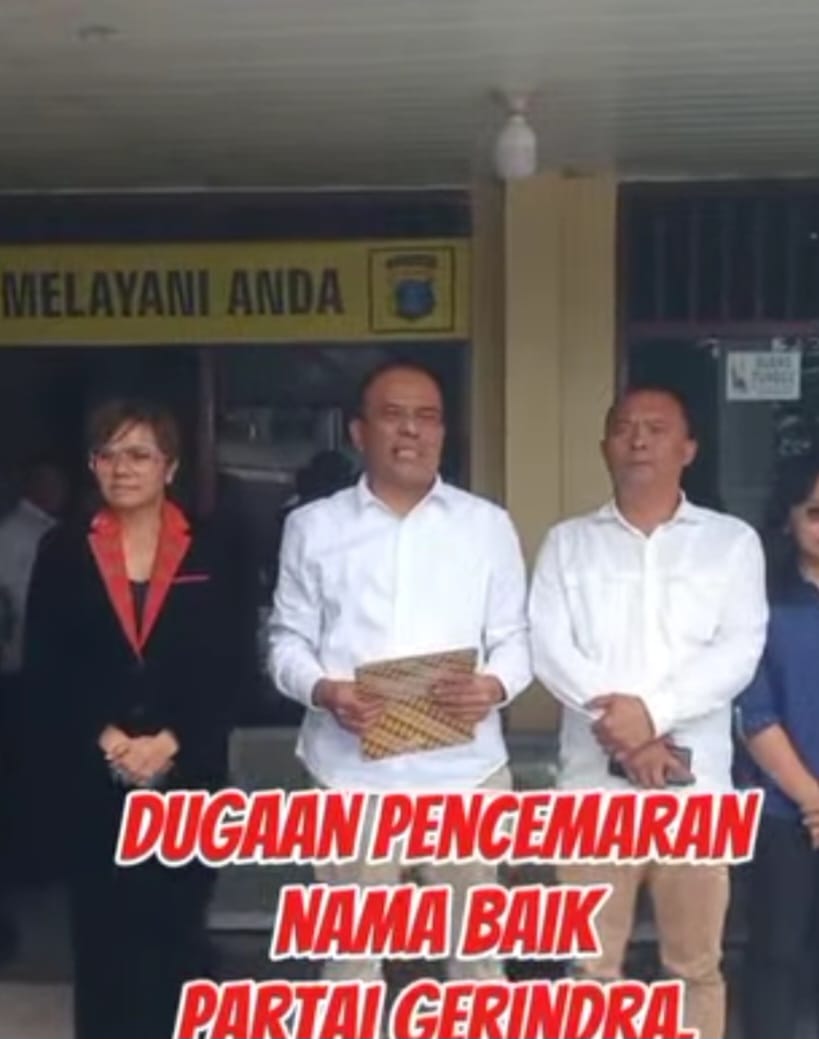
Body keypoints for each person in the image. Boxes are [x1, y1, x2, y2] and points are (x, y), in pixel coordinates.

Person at [269, 361, 532, 992]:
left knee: (478, 969)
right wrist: (324, 691)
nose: (410, 430)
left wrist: (493, 686)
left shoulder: (486, 525)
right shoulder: (312, 527)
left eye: (426, 417)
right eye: (393, 415)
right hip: (350, 775)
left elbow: (516, 639)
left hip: (465, 775)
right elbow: (286, 640)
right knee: (349, 968)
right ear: (359, 432)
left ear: (442, 432)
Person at [529, 386, 768, 1039]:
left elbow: (738, 651)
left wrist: (652, 713)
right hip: (592, 792)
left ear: (688, 448)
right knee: (589, 969)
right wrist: (630, 736)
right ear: (604, 445)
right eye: (625, 427)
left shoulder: (730, 543)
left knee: (695, 966)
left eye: (657, 428)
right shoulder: (567, 543)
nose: (639, 439)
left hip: (695, 792)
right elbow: (549, 648)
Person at [23, 399, 250, 1039]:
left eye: (139, 455)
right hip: (93, 777)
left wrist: (172, 741)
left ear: (169, 467)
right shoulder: (64, 550)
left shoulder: (214, 549)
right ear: (92, 466)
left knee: (178, 935)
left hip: (187, 773)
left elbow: (234, 665)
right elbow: (46, 667)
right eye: (108, 455)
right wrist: (108, 739)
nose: (122, 468)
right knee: (101, 941)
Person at [738, 453, 819, 1039]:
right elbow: (755, 714)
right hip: (784, 810)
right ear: (788, 521)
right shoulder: (762, 608)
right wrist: (813, 801)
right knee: (777, 955)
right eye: (815, 513)